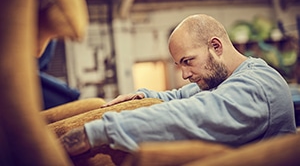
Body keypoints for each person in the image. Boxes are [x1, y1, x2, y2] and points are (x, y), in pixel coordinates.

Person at [60, 14, 296, 156]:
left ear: (216, 47)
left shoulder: (258, 86)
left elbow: (191, 115)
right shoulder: (220, 79)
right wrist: (142, 95)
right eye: (178, 65)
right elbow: (179, 96)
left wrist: (97, 132)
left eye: (187, 62)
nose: (184, 74)